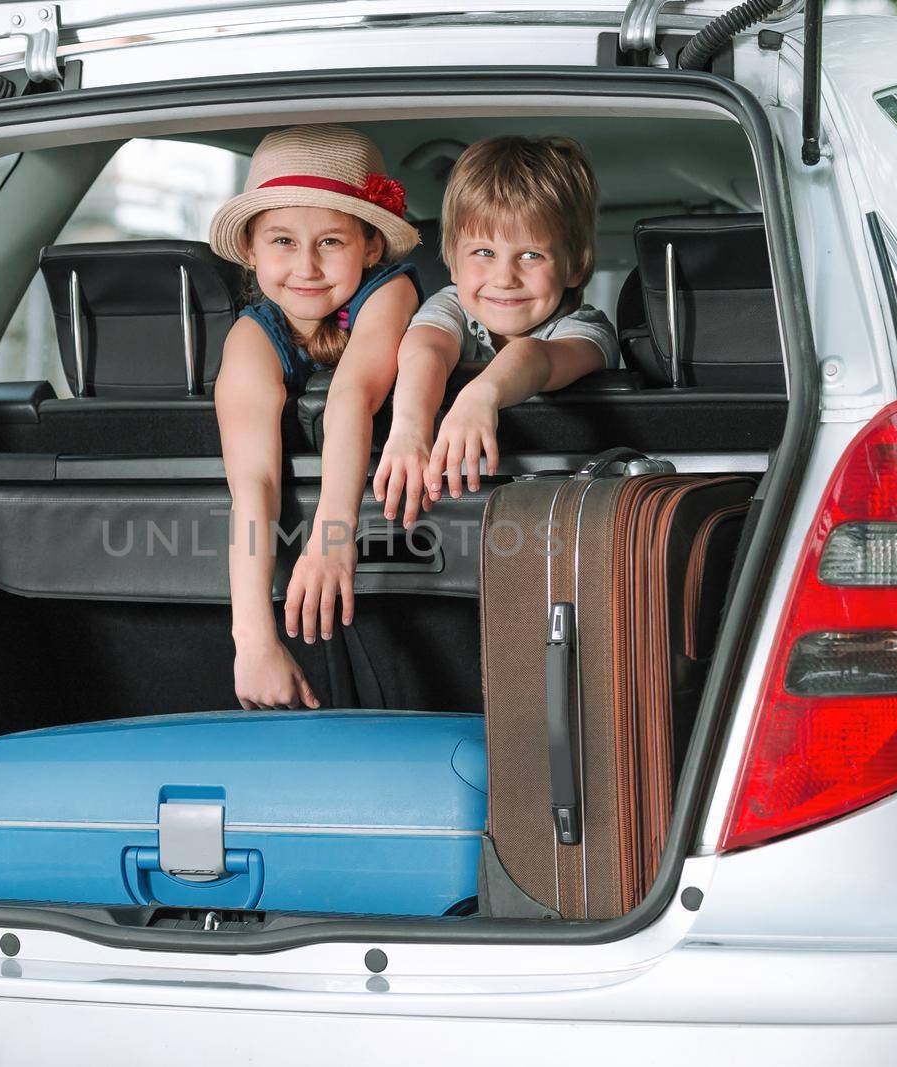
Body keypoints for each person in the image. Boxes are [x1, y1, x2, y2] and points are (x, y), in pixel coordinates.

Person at [210, 124, 421, 710]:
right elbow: (253, 484)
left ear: (371, 247)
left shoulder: (389, 292)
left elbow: (351, 395)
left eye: (331, 241)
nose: (306, 266)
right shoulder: (252, 335)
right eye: (282, 242)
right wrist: (252, 640)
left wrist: (332, 539)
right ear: (250, 251)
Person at [374, 136, 617, 526]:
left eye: (531, 255)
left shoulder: (585, 329)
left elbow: (536, 356)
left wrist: (481, 396)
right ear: (452, 262)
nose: (505, 278)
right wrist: (409, 430)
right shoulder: (452, 303)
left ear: (575, 267)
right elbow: (426, 351)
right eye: (484, 253)